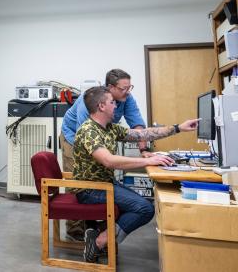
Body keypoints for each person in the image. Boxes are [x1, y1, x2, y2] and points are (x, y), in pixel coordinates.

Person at [73, 86, 199, 263]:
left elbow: (142, 133)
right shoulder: (89, 131)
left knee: (145, 204)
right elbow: (108, 160)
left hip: (104, 184)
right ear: (101, 106)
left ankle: (99, 234)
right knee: (145, 209)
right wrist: (148, 161)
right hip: (90, 190)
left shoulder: (109, 128)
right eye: (112, 102)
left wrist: (178, 128)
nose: (116, 106)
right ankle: (100, 241)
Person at [60, 69, 149, 240]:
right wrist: (106, 157)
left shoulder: (126, 99)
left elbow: (137, 125)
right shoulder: (91, 101)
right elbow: (85, 134)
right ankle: (75, 231)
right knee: (78, 179)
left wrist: (144, 150)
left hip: (97, 137)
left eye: (130, 87)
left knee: (101, 179)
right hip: (73, 137)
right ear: (110, 87)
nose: (128, 92)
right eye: (124, 88)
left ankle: (97, 226)